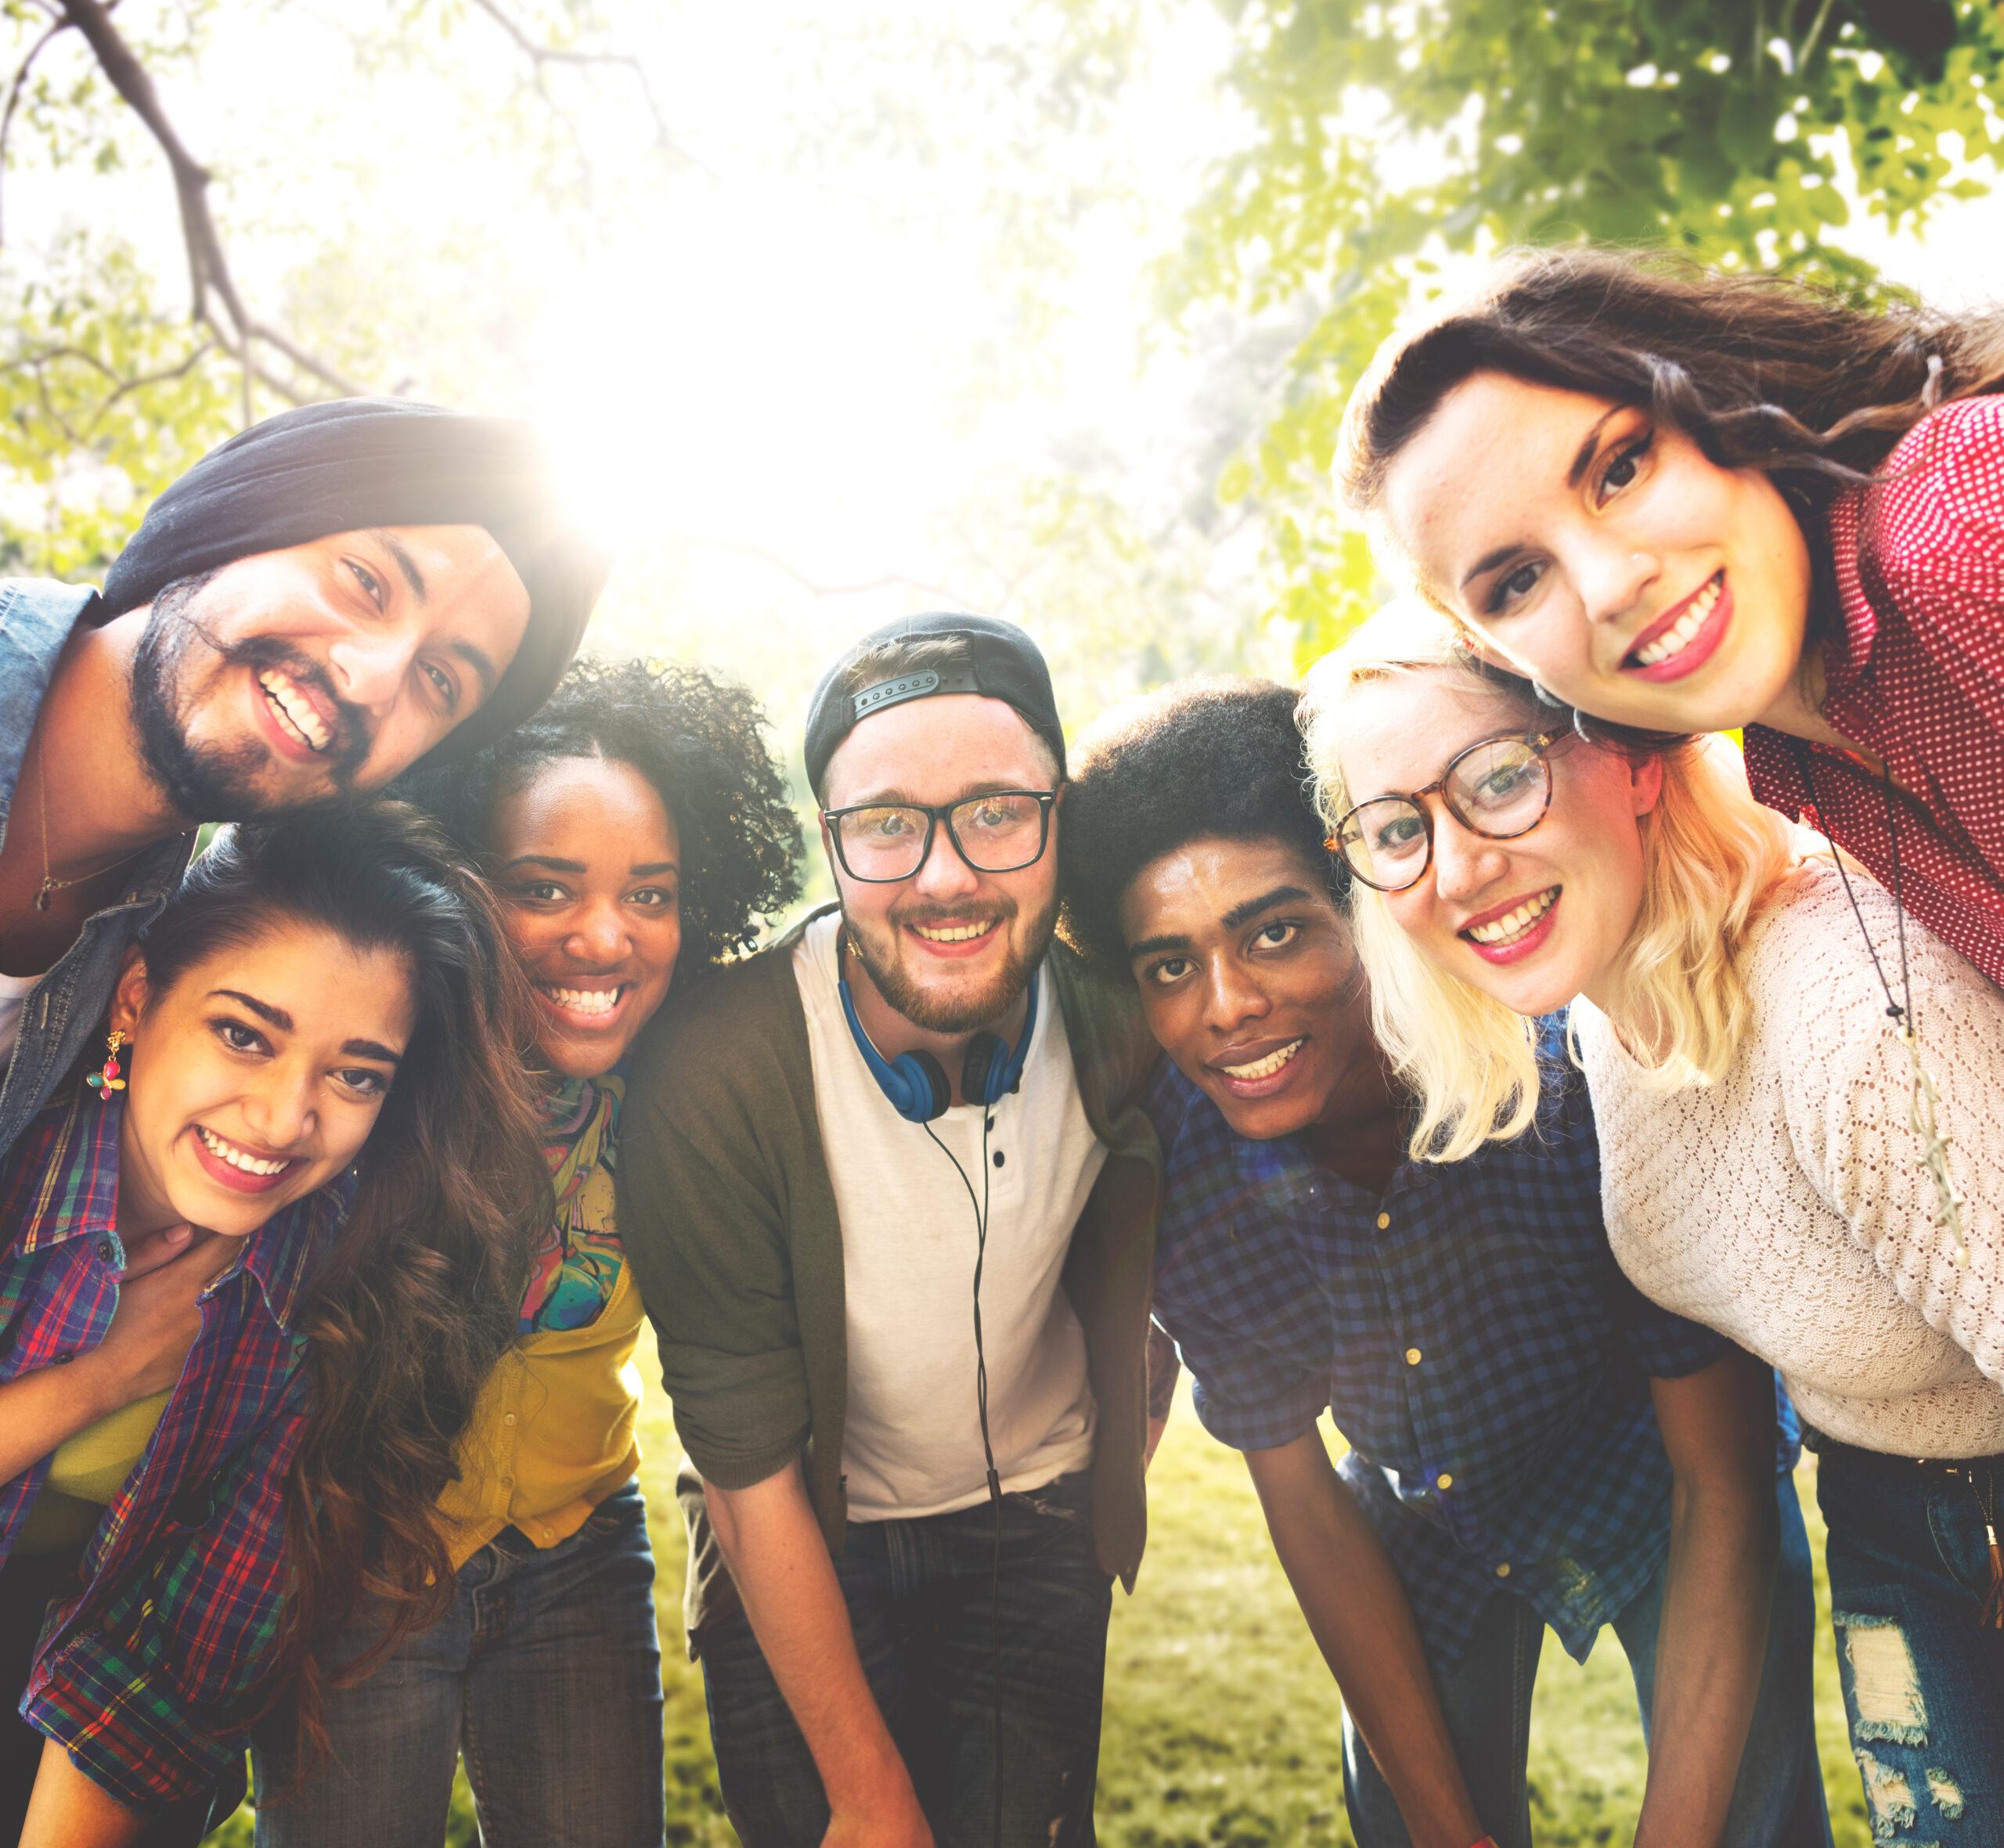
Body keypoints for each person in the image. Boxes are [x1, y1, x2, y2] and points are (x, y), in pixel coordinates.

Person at [1059, 676, 1827, 1848]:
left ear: (1365, 903)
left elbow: (1718, 1479)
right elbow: (1306, 1504)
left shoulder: (1569, 1078)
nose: (1228, 1008)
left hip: (1664, 1486)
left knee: (1746, 1824)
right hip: (1423, 1512)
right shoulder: (1191, 1166)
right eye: (1169, 965)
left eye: (1274, 932)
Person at [1302, 604, 2004, 1838]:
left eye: (1500, 780)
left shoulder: (1849, 1018)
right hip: (1893, 1528)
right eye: (1398, 829)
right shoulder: (1600, 1028)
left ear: (1629, 752)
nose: (1456, 868)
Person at [617, 611, 1161, 1848]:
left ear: (1058, 815)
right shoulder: (716, 1072)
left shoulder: (1126, 1013)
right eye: (885, 826)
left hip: (1035, 1525)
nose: (946, 874)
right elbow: (749, 1477)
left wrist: (1133, 1412)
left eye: (998, 811)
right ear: (830, 845)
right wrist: (870, 1802)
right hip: (801, 1530)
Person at [252, 658, 802, 1848]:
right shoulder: (377, 1071)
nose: (605, 937)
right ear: (456, 884)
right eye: (544, 889)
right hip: (359, 1553)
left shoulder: (681, 1085)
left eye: (650, 895)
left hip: (577, 1553)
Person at [0, 803, 550, 1848]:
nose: (286, 1119)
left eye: (354, 1075)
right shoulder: (18, 1150)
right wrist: (101, 1378)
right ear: (134, 1000)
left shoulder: (349, 1274)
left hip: (99, 1701)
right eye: (245, 1036)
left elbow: (173, 1656)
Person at [1334, 247, 2004, 986]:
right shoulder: (1799, 758)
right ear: (1495, 653)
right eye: (1520, 581)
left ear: (1717, 402)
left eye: (1619, 471)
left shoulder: (1957, 520)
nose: (1610, 587)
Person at [0, 394, 607, 1168]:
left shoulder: (149, 941)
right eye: (366, 581)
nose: (371, 680)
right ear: (234, 520)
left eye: (438, 679)